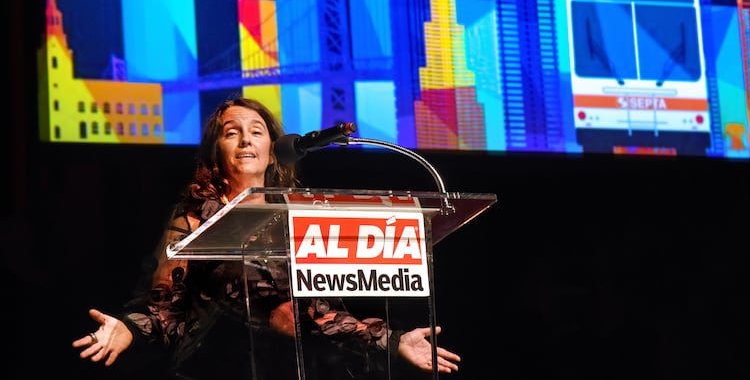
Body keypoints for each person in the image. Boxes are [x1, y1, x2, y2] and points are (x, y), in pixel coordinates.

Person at [72, 96, 460, 380]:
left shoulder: (297, 218)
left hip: (296, 368)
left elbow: (321, 316)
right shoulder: (194, 218)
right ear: (215, 151)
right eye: (232, 133)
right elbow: (164, 309)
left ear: (273, 153)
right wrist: (125, 327)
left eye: (256, 132)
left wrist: (393, 342)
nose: (245, 140)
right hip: (220, 368)